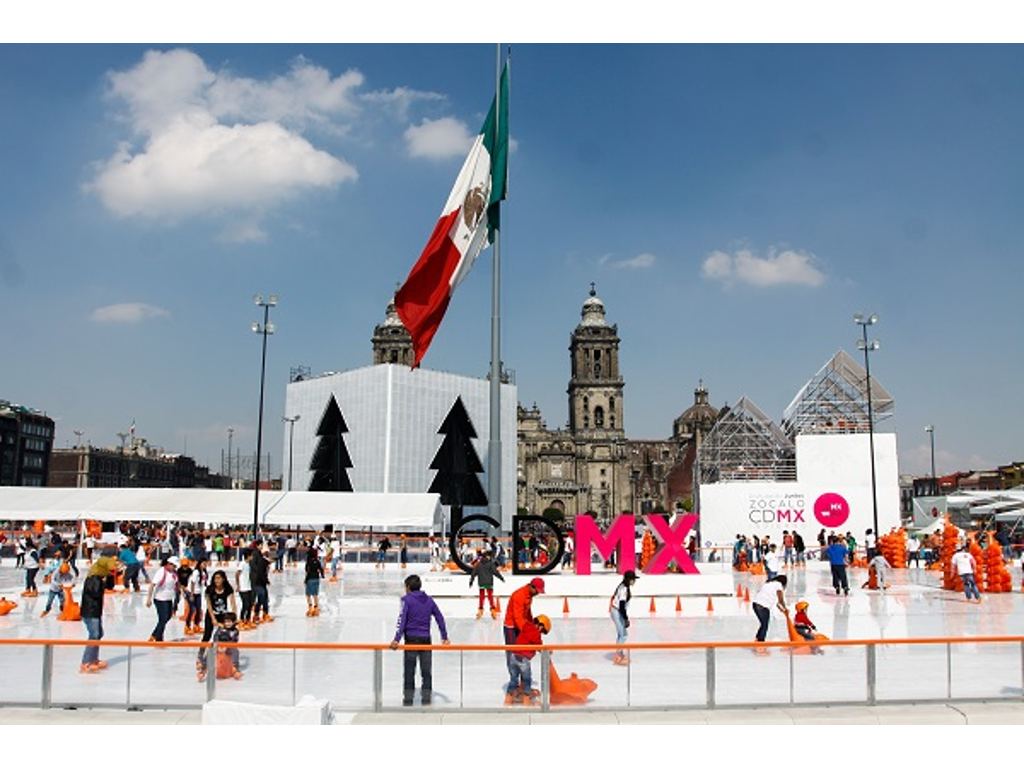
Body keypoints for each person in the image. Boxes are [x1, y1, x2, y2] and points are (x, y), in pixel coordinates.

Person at [389, 574, 450, 706]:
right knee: (426, 671)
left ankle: (408, 700)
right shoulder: (429, 600)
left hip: (411, 640)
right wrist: (444, 637)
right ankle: (426, 700)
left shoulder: (406, 600)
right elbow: (440, 618)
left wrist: (396, 639)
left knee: (409, 671)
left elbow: (402, 620)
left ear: (409, 587)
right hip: (425, 640)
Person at [503, 577, 544, 693]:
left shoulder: (529, 596)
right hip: (511, 627)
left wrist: (531, 625)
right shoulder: (518, 595)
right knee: (513, 656)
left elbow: (527, 613)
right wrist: (528, 632)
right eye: (537, 591)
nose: (538, 594)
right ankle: (513, 685)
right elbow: (517, 617)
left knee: (523, 654)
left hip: (521, 626)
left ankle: (524, 684)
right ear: (532, 587)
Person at [197, 569, 239, 681]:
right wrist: (213, 619)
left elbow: (233, 603)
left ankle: (231, 664)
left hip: (224, 616)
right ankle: (200, 658)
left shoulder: (228, 589)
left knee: (227, 638)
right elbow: (209, 605)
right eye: (215, 578)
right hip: (211, 615)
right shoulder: (210, 589)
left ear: (223, 579)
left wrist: (234, 618)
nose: (217, 580)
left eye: (219, 578)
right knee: (207, 636)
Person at [80, 556, 118, 673]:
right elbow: (96, 593)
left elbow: (110, 587)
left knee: (98, 634)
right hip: (90, 611)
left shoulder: (99, 578)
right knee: (94, 635)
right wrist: (105, 579)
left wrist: (111, 576)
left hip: (95, 611)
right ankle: (86, 662)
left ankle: (94, 659)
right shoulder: (93, 578)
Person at [508, 614, 551, 705]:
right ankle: (526, 700)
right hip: (523, 659)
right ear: (540, 625)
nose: (541, 633)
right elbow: (538, 645)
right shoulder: (535, 632)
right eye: (542, 630)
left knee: (513, 679)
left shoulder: (526, 626)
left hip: (513, 656)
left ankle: (508, 699)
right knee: (527, 680)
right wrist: (547, 650)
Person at [146, 556, 180, 642]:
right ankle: (159, 638)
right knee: (163, 618)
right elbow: (152, 585)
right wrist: (149, 599)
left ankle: (155, 635)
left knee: (168, 617)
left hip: (169, 598)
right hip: (160, 599)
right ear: (168, 564)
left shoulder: (174, 573)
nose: (174, 568)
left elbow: (176, 585)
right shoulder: (161, 572)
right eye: (173, 566)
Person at [610, 570, 637, 666]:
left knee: (621, 634)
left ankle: (619, 653)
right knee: (623, 635)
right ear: (629, 580)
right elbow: (621, 606)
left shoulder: (624, 587)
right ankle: (618, 656)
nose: (635, 581)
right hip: (617, 611)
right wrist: (625, 619)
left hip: (617, 611)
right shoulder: (624, 589)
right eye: (633, 579)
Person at [469, 548, 505, 619]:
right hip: (489, 582)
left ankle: (480, 609)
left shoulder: (478, 564)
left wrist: (471, 581)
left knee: (481, 596)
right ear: (487, 556)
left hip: (481, 582)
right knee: (490, 596)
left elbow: (473, 573)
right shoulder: (490, 564)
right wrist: (501, 578)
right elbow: (495, 572)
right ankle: (492, 609)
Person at [753, 574, 789, 645]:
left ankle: (758, 639)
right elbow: (781, 600)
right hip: (763, 606)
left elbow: (777, 603)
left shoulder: (769, 584)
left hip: (755, 604)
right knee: (764, 625)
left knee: (763, 624)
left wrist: (783, 610)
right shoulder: (778, 585)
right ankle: (760, 643)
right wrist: (785, 609)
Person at [215, 612, 244, 680]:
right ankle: (204, 666)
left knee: (235, 650)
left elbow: (234, 641)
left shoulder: (235, 631)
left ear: (233, 622)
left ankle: (235, 668)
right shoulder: (220, 629)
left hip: (229, 648)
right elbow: (215, 638)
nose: (227, 624)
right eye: (226, 622)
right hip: (219, 647)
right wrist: (218, 646)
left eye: (229, 622)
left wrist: (226, 646)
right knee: (210, 649)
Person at [184, 558, 209, 634]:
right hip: (191, 593)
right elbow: (192, 583)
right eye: (203, 564)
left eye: (206, 564)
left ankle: (196, 625)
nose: (205, 565)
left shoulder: (203, 572)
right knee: (192, 610)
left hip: (198, 593)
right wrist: (191, 594)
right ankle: (187, 626)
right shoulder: (196, 572)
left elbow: (203, 583)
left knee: (198, 610)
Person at [249, 545, 271, 622]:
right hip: (258, 582)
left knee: (265, 598)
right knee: (262, 597)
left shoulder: (265, 561)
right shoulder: (262, 561)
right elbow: (261, 572)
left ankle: (265, 613)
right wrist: (266, 580)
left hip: (262, 582)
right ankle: (256, 613)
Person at [236, 548, 254, 628]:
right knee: (245, 604)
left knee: (250, 604)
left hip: (249, 587)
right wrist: (238, 585)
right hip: (243, 588)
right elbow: (237, 574)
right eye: (251, 555)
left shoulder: (249, 564)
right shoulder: (242, 564)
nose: (252, 557)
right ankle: (241, 619)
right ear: (248, 556)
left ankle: (248, 619)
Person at [305, 544, 324, 617]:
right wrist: (322, 575)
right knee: (315, 594)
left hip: (310, 579)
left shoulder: (308, 562)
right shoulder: (317, 561)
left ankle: (310, 607)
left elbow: (307, 571)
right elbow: (321, 569)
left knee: (308, 594)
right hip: (316, 578)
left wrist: (306, 580)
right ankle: (316, 608)